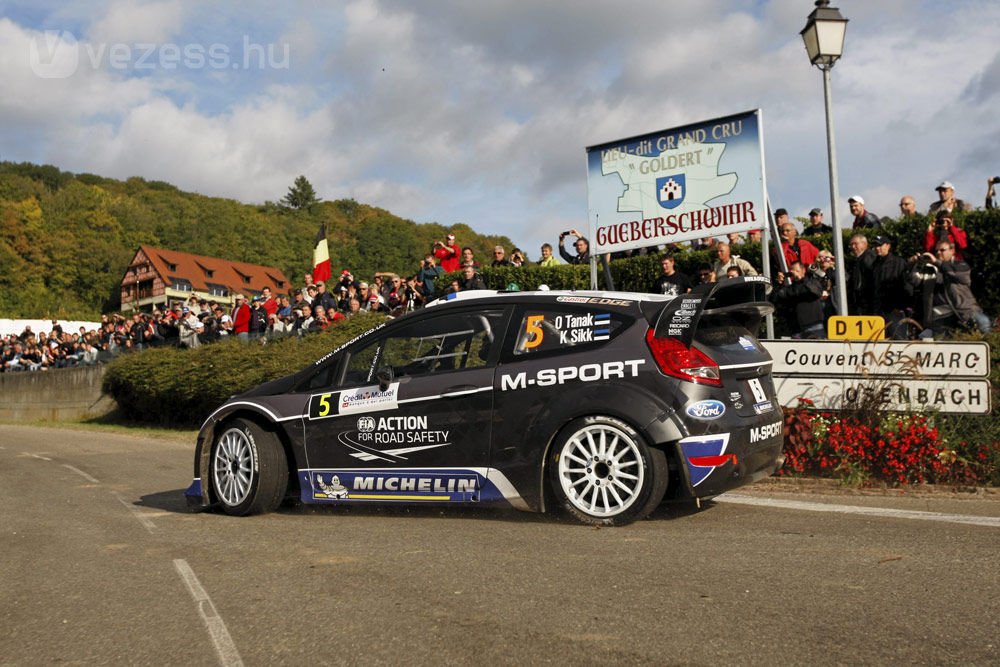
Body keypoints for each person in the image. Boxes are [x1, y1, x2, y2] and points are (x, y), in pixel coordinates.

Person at [908, 242, 991, 336]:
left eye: (942, 250)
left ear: (952, 251)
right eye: (936, 251)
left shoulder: (960, 265)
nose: (938, 253)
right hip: (939, 315)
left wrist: (937, 262)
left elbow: (963, 277)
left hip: (964, 311)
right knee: (938, 342)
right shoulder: (929, 269)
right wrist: (914, 264)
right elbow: (914, 281)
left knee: (984, 323)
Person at [772, 262, 826, 339]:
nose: (794, 273)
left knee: (818, 349)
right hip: (797, 328)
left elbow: (815, 292)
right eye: (792, 271)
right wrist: (779, 283)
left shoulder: (812, 282)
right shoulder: (790, 288)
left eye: (796, 271)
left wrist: (803, 278)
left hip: (813, 325)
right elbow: (777, 298)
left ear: (803, 270)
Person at [870, 235, 908, 321]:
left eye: (880, 245)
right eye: (875, 246)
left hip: (894, 309)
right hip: (878, 309)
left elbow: (905, 285)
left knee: (896, 333)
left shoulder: (898, 262)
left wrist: (901, 306)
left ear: (888, 246)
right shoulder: (875, 264)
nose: (877, 248)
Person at [846, 234, 876, 315]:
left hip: (866, 301)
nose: (853, 247)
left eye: (855, 244)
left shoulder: (868, 257)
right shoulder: (859, 259)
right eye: (851, 244)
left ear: (865, 244)